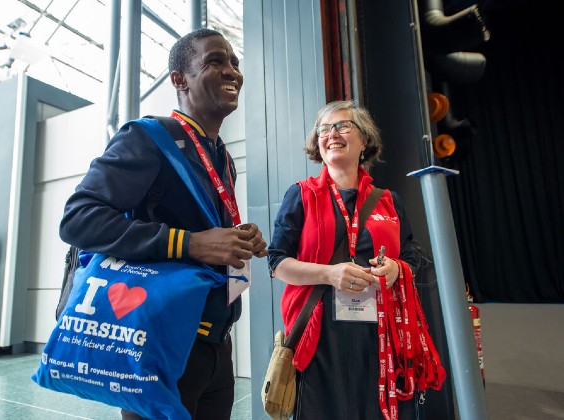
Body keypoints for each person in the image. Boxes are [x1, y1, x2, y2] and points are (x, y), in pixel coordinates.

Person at [59, 28, 267, 420]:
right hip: (159, 342)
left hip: (216, 345)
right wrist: (190, 244)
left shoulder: (222, 156)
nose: (232, 72)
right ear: (179, 79)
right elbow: (78, 219)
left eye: (235, 64)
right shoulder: (148, 138)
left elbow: (206, 225)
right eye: (215, 61)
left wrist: (237, 236)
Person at [267, 101, 429, 419]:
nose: (332, 134)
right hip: (319, 341)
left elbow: (410, 258)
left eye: (343, 126)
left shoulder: (388, 200)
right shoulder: (300, 195)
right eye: (324, 129)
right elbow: (276, 262)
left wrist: (397, 268)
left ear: (364, 140)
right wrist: (329, 274)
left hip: (380, 337)